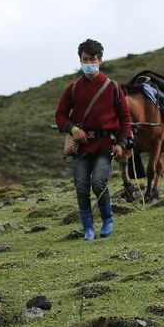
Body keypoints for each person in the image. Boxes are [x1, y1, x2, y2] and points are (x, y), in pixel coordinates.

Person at [55, 38, 133, 240]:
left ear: (100, 61)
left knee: (99, 183)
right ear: (80, 60)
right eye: (85, 59)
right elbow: (60, 116)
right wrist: (72, 129)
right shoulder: (72, 88)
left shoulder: (113, 88)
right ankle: (88, 228)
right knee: (81, 186)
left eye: (93, 59)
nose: (89, 63)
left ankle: (108, 220)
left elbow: (125, 119)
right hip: (82, 147)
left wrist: (122, 144)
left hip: (105, 145)